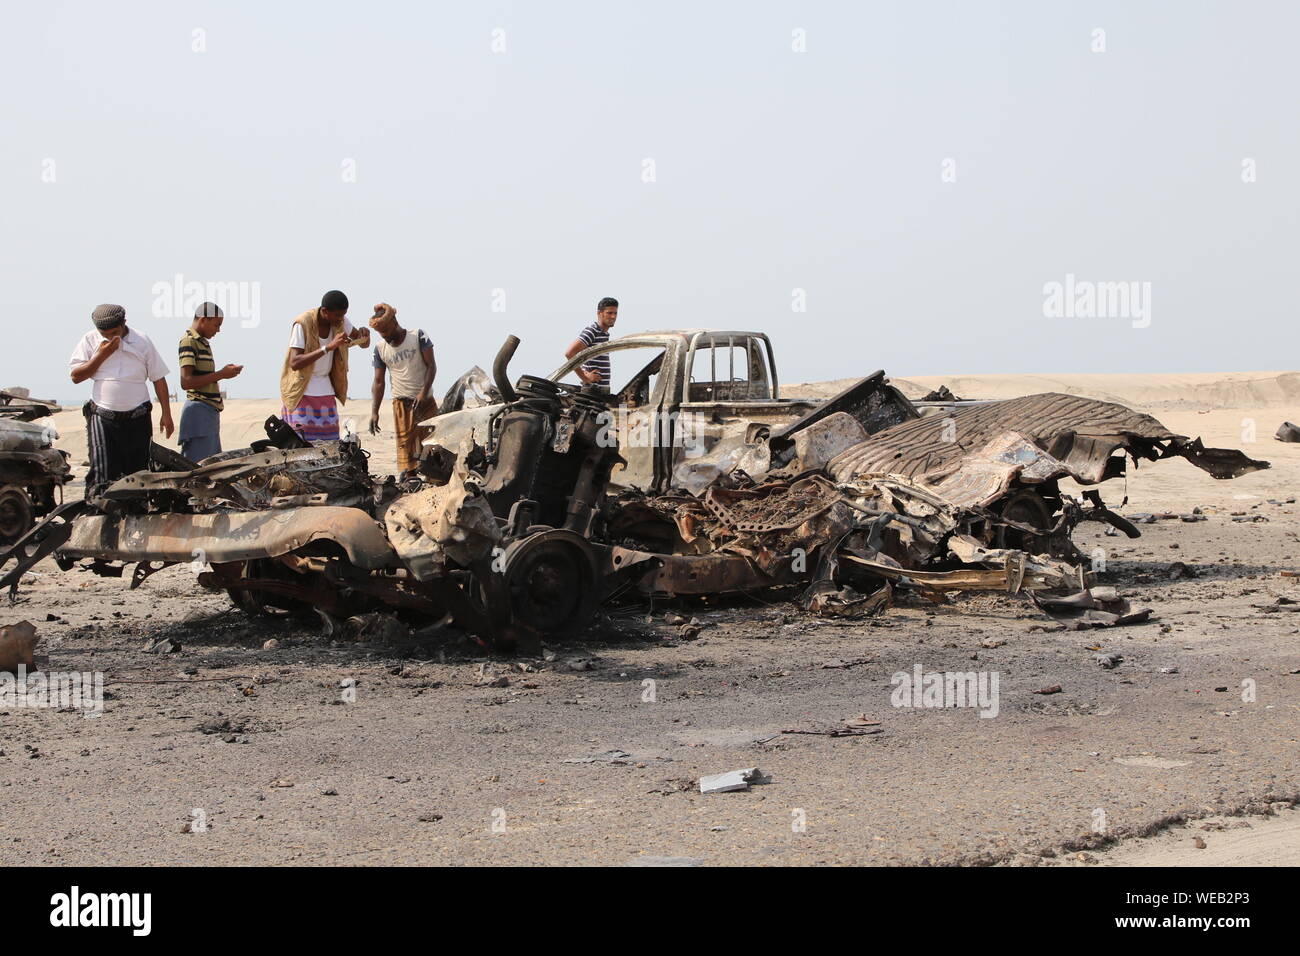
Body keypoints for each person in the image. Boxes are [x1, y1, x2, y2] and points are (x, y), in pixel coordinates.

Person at [68, 303, 173, 496]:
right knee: (102, 473)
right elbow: (76, 376)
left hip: (137, 416)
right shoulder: (90, 340)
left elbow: (158, 378)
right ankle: (101, 515)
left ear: (124, 323)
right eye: (104, 334)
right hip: (103, 417)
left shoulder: (142, 340)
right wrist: (101, 355)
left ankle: (136, 513)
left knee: (138, 472)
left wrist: (166, 413)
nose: (109, 337)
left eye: (114, 332)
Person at [280, 290, 370, 442]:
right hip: (301, 392)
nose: (341, 319)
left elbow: (363, 343)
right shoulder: (303, 324)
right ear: (324, 311)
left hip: (325, 391)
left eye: (343, 315)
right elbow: (294, 363)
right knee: (302, 442)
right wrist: (328, 347)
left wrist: (364, 337)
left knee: (329, 442)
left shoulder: (341, 321)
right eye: (337, 315)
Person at [367, 303, 436, 478]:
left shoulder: (418, 336)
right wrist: (374, 412)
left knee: (432, 444)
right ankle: (411, 479)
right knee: (406, 447)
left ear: (394, 322)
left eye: (387, 332)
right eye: (382, 335)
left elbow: (431, 366)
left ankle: (434, 477)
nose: (386, 337)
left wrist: (423, 392)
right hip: (401, 404)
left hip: (425, 401)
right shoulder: (380, 349)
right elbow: (378, 382)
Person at [177, 302, 242, 462]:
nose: (218, 330)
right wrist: (221, 374)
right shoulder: (189, 341)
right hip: (199, 412)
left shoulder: (201, 342)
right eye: (216, 325)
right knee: (200, 470)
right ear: (204, 320)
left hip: (207, 413)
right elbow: (186, 382)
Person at [564, 296, 618, 389]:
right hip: (592, 393)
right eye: (609, 313)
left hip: (602, 393)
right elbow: (569, 353)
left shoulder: (604, 334)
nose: (613, 316)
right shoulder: (592, 331)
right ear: (599, 313)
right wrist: (585, 377)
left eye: (615, 313)